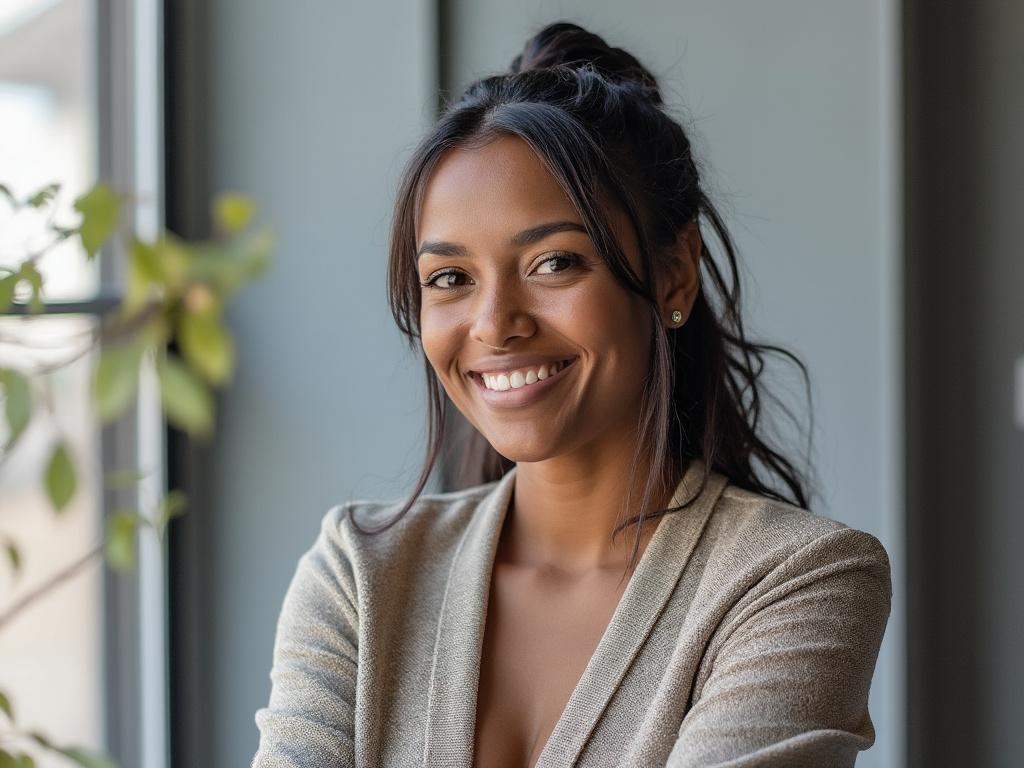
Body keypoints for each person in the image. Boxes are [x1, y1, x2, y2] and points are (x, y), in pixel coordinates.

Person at [251, 20, 891, 768]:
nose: (496, 325)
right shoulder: (360, 574)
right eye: (450, 279)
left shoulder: (797, 582)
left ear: (676, 273)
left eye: (554, 262)